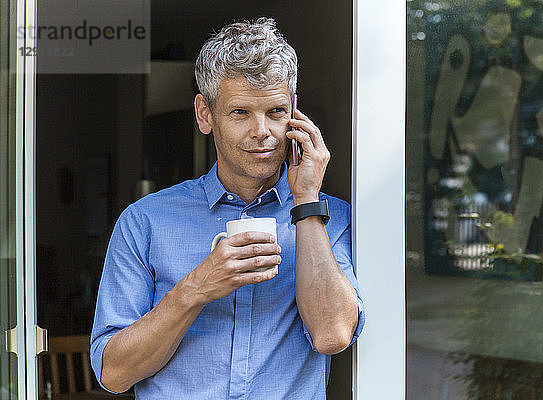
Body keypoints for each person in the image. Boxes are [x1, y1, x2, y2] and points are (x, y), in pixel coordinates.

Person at [90, 17, 365, 399]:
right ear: (205, 114)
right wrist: (196, 288)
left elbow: (332, 335)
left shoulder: (327, 217)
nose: (262, 131)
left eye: (275, 111)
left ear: (295, 112)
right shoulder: (144, 221)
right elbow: (114, 374)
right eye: (240, 113)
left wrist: (305, 202)